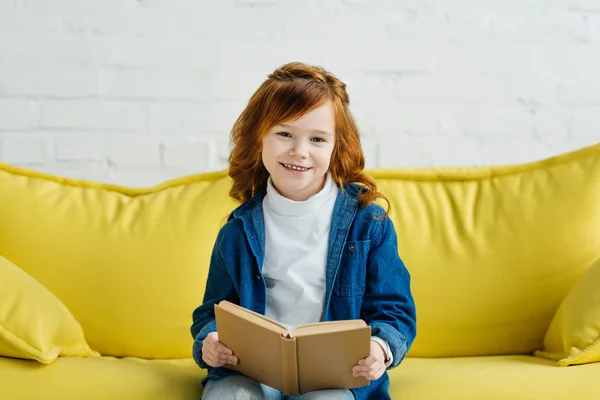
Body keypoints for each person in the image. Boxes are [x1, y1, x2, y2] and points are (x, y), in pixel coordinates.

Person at [191, 62, 416, 400]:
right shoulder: (238, 230)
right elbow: (211, 313)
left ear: (335, 147)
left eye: (317, 139)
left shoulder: (369, 225)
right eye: (285, 134)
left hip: (333, 378)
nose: (300, 151)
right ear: (259, 139)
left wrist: (380, 348)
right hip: (252, 372)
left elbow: (394, 311)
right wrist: (209, 341)